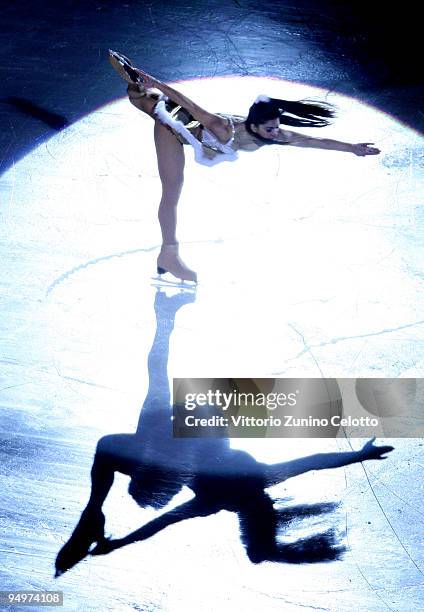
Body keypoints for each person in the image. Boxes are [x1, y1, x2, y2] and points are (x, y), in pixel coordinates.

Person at [109, 51, 380, 283]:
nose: (276, 132)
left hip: (191, 126)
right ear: (254, 125)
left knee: (148, 100)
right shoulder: (223, 127)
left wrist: (353, 148)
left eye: (276, 126)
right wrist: (155, 81)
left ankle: (137, 86)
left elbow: (312, 140)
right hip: (173, 128)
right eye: (271, 128)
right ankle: (168, 255)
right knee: (171, 190)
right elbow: (186, 103)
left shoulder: (269, 133)